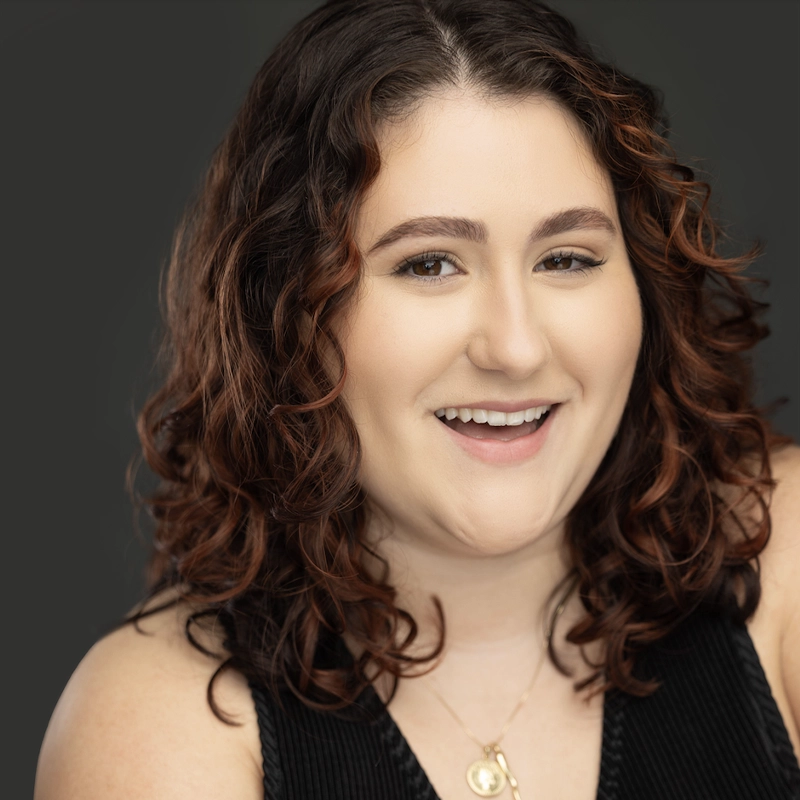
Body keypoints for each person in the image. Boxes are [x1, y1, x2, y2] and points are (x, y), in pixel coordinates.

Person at [34, 1, 800, 798]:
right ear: (286, 311)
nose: (517, 347)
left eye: (568, 258)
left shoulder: (786, 561)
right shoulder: (158, 722)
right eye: (430, 265)